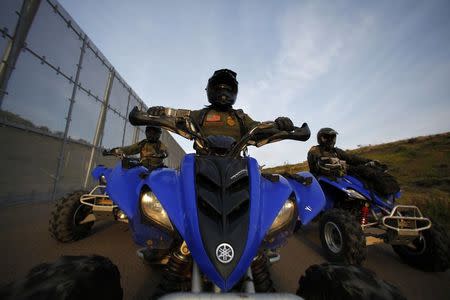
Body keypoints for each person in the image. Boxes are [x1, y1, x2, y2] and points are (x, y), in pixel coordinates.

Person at [147, 69, 295, 154]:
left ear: (235, 92)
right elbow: (177, 114)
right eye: (218, 88)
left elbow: (260, 127)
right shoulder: (200, 114)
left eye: (228, 89)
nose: (223, 93)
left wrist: (279, 124)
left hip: (237, 165)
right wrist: (162, 111)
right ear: (210, 90)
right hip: (201, 163)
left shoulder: (241, 117)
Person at [307, 127, 379, 178]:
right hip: (321, 182)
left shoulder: (336, 151)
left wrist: (369, 161)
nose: (330, 140)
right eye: (326, 137)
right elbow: (326, 164)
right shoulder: (315, 150)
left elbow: (351, 158)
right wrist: (358, 168)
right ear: (320, 138)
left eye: (332, 137)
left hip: (340, 180)